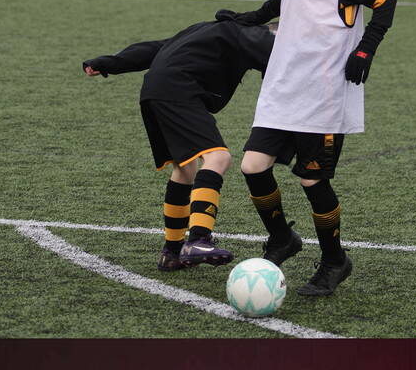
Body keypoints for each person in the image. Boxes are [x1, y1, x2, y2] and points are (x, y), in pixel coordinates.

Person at [215, 0, 398, 296]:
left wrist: (366, 51)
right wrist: (246, 18)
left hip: (324, 94)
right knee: (252, 166)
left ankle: (335, 260)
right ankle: (283, 239)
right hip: (285, 88)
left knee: (312, 182)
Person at [82, 19, 276, 271]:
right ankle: (198, 240)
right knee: (218, 159)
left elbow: (156, 48)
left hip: (154, 90)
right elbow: (279, 55)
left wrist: (107, 62)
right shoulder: (252, 35)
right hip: (179, 90)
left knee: (185, 170)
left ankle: (171, 253)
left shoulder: (205, 29)